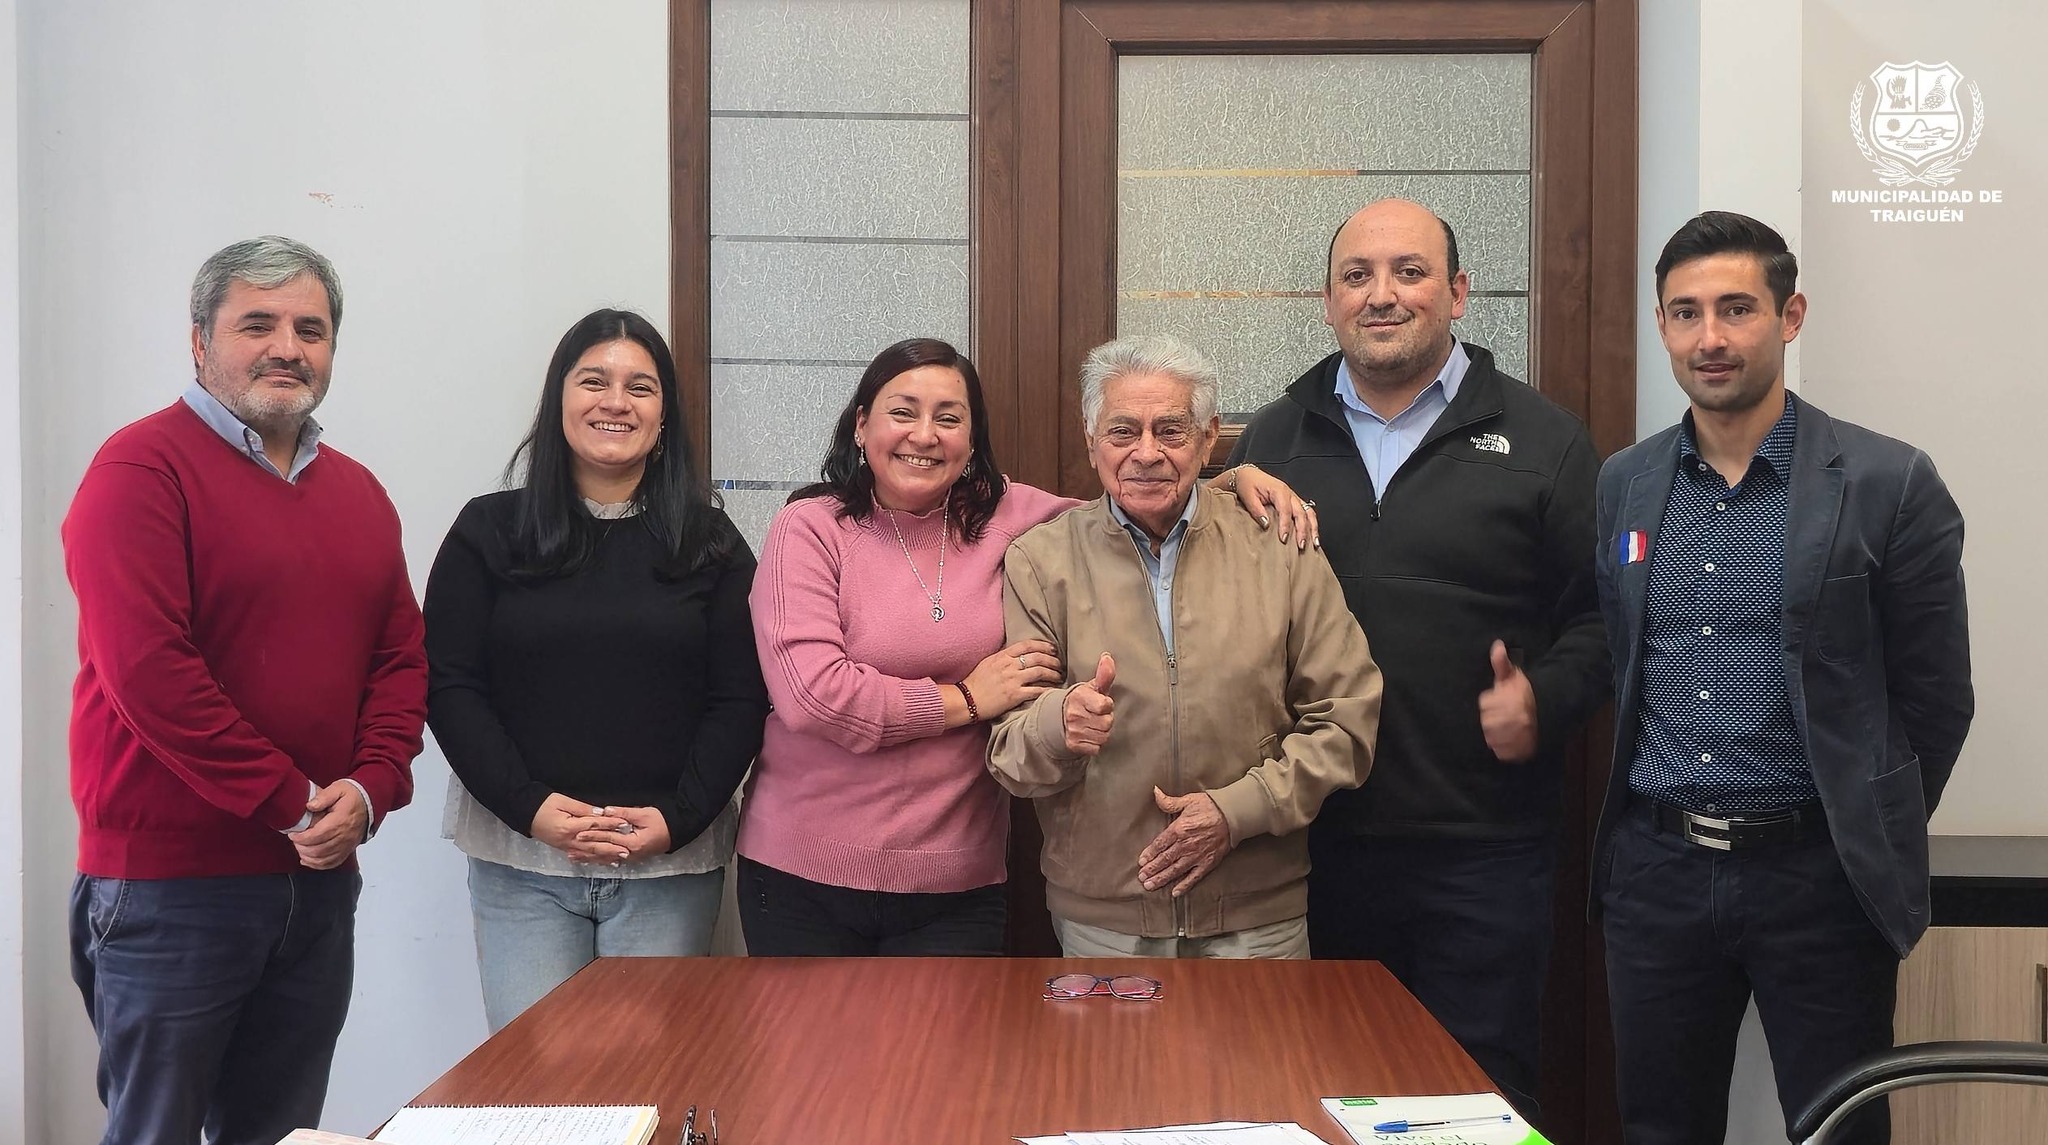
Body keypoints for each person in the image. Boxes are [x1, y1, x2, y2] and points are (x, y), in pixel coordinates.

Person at [739, 337, 1313, 956]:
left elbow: (1132, 495)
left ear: (972, 440)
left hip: (954, 875)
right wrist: (964, 699)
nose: (924, 436)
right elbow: (811, 697)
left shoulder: (1005, 515)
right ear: (861, 425)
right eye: (902, 412)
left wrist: (1232, 479)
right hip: (803, 868)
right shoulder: (811, 527)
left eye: (949, 418)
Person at [1592, 211, 1972, 1145]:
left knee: (1839, 1130)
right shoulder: (1626, 483)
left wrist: (1862, 825)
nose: (1710, 338)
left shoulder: (1887, 481)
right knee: (1659, 1128)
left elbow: (1936, 698)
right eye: (1686, 313)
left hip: (1819, 876)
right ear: (1661, 325)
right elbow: (1622, 656)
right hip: (1658, 873)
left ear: (1789, 315)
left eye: (1736, 308)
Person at [1229, 198, 1608, 1111]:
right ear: (1328, 301)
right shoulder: (1275, 439)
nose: (1382, 294)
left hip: (1482, 853)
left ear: (1458, 292)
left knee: (1473, 1099)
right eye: (1357, 276)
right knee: (1323, 1091)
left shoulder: (1547, 441)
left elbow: (1606, 619)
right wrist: (1220, 479)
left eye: (1410, 271)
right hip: (1311, 845)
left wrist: (1545, 699)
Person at [63, 236, 427, 1145]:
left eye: (311, 328)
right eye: (257, 324)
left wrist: (368, 790)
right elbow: (150, 673)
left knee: (280, 1134)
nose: (287, 348)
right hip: (169, 891)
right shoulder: (139, 470)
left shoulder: (360, 494)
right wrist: (290, 800)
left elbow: (399, 662)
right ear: (199, 341)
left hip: (316, 883)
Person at [424, 309, 768, 1032]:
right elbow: (451, 686)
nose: (617, 401)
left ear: (665, 416)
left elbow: (740, 698)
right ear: (558, 400)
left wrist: (677, 819)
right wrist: (530, 807)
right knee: (534, 1084)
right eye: (594, 381)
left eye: (641, 387)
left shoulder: (709, 542)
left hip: (669, 868)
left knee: (651, 1081)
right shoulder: (488, 531)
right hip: (522, 862)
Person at [988, 334, 1382, 959]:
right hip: (1107, 920)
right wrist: (1057, 726)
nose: (1146, 453)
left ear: (1208, 438)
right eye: (1122, 431)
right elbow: (1010, 754)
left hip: (1258, 913)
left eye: (1170, 431)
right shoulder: (1041, 561)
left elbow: (1348, 720)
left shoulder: (1278, 545)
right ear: (1091, 442)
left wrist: (1238, 812)